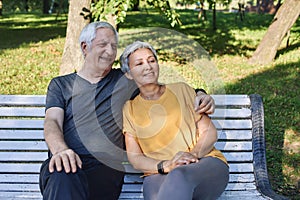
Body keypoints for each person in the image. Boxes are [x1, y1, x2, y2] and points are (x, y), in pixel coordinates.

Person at [39, 21, 216, 200]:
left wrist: (201, 93)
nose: (110, 51)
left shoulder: (124, 80)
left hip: (104, 170)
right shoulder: (61, 85)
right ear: (85, 47)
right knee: (62, 173)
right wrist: (60, 150)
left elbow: (162, 87)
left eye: (114, 46)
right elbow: (52, 121)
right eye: (103, 45)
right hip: (66, 162)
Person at [120, 41, 229, 200]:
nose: (148, 66)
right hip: (160, 172)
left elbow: (209, 132)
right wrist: (166, 165)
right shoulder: (129, 109)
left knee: (178, 175)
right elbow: (135, 158)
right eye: (139, 63)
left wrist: (190, 156)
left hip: (204, 164)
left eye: (152, 60)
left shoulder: (182, 90)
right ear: (129, 74)